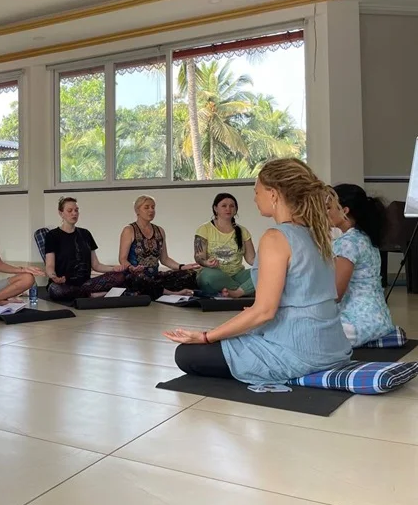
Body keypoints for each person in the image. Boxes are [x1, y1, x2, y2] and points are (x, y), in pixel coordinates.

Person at [164, 159, 353, 384]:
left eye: (257, 191)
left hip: (300, 352)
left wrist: (205, 337)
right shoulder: (317, 234)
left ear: (273, 194)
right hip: (334, 347)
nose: (254, 198)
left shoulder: (276, 237)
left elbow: (264, 312)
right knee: (241, 329)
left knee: (187, 354)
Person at [327, 184, 395, 346]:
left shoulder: (348, 243)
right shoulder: (364, 237)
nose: (325, 212)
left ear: (345, 210)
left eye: (328, 207)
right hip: (379, 320)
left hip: (358, 323)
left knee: (303, 333)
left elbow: (336, 294)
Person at [44, 197, 137, 301]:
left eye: (76, 210)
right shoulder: (52, 235)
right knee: (56, 290)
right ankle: (93, 295)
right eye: (70, 210)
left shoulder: (85, 234)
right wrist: (54, 277)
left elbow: (96, 265)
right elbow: (50, 265)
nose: (74, 213)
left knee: (120, 276)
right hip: (63, 285)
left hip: (86, 283)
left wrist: (114, 268)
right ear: (61, 213)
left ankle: (88, 293)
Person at [118, 195, 199, 298]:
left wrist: (182, 267)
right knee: (139, 279)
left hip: (154, 277)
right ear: (137, 210)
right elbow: (122, 259)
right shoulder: (129, 230)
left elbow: (164, 259)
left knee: (190, 274)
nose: (151, 210)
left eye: (153, 207)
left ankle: (155, 291)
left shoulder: (159, 230)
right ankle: (172, 293)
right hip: (136, 276)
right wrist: (131, 268)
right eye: (146, 207)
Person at [194, 193, 256, 298]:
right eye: (224, 206)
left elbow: (251, 259)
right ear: (215, 208)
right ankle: (245, 289)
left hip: (238, 275)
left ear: (236, 210)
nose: (228, 209)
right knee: (206, 277)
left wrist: (268, 263)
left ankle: (235, 292)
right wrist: (206, 262)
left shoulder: (243, 231)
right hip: (215, 274)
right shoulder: (204, 229)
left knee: (265, 273)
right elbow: (199, 257)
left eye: (232, 206)